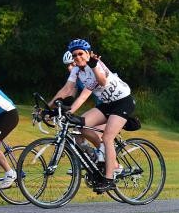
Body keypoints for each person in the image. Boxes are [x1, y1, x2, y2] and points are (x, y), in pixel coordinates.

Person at [49, 39, 135, 191]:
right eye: (74, 55)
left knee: (108, 137)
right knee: (81, 126)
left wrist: (94, 66)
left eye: (80, 53)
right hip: (106, 104)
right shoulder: (76, 70)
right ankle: (103, 156)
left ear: (88, 53)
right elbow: (66, 90)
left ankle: (109, 178)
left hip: (123, 102)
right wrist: (48, 108)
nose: (77, 57)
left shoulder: (96, 65)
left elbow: (100, 83)